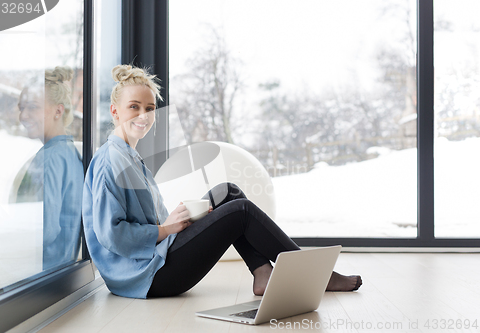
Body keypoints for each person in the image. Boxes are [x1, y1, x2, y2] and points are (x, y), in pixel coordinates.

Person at [82, 64, 362, 299]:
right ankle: (315, 275)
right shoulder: (111, 162)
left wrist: (173, 224)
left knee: (229, 192)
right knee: (241, 211)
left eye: (150, 107)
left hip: (154, 259)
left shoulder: (127, 155)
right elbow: (113, 235)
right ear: (115, 112)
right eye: (134, 107)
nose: (144, 115)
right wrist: (166, 229)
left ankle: (263, 273)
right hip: (147, 276)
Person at [17, 66, 84, 271]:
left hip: (39, 274)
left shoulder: (49, 158)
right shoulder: (69, 153)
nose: (23, 115)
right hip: (60, 272)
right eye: (21, 107)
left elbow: (44, 229)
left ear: (58, 110)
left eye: (32, 107)